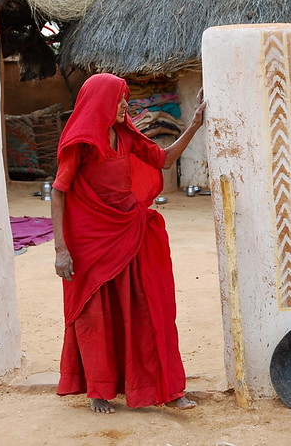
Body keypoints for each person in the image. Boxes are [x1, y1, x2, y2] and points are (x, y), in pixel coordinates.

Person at [51, 73, 206, 414]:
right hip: (90, 244)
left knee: (148, 308)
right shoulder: (81, 141)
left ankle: (167, 388)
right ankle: (99, 389)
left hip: (130, 233)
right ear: (102, 101)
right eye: (120, 98)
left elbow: (162, 159)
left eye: (125, 98)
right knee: (96, 316)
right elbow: (59, 191)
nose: (125, 105)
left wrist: (194, 127)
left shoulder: (125, 134)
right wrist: (61, 249)